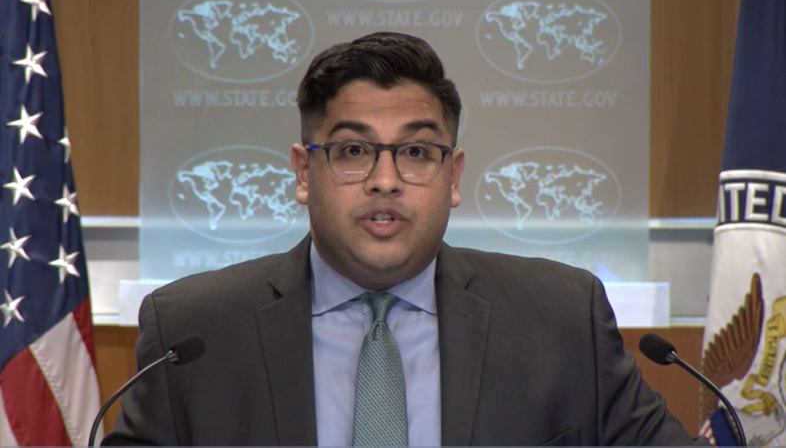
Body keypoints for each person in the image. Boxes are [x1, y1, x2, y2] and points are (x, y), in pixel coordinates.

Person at [104, 32, 704, 446]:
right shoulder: (192, 332)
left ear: (454, 176)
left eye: (416, 151)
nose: (386, 180)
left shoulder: (561, 318)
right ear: (303, 172)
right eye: (353, 150)